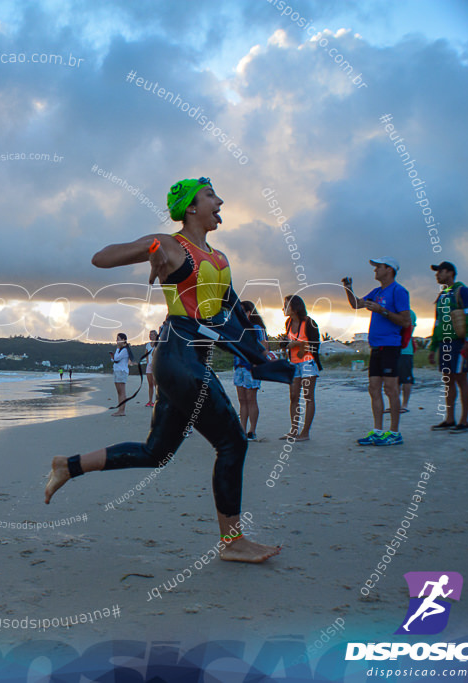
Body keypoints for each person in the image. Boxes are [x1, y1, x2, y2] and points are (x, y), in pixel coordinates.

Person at [45, 177, 288, 563]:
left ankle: (67, 466)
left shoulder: (220, 258)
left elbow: (233, 307)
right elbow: (100, 258)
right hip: (178, 358)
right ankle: (232, 542)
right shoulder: (173, 246)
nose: (220, 201)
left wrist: (260, 351)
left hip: (195, 359)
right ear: (190, 207)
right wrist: (151, 248)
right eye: (211, 196)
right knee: (233, 442)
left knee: (156, 451)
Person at [342, 258, 412, 446]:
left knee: (390, 389)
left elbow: (406, 321)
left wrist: (383, 311)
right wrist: (348, 287)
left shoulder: (399, 291)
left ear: (389, 270)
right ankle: (378, 430)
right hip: (376, 347)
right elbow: (357, 304)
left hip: (390, 346)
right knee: (373, 388)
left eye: (378, 267)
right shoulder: (377, 291)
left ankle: (395, 432)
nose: (375, 271)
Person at [428, 261, 468, 433]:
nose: (437, 275)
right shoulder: (442, 295)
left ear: (450, 273)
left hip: (460, 342)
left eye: (440, 272)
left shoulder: (462, 291)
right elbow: (438, 323)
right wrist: (433, 347)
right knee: (448, 381)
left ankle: (464, 421)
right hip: (445, 343)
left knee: (462, 379)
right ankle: (450, 419)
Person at [281, 294, 321, 441]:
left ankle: (305, 433)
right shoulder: (288, 323)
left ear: (295, 307)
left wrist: (297, 344)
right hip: (293, 362)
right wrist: (285, 343)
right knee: (293, 397)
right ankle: (293, 430)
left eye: (285, 305)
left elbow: (316, 347)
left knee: (308, 397)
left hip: (308, 362)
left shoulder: (309, 323)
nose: (283, 308)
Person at [234, 302, 268, 440]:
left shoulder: (256, 328)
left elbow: (264, 347)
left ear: (249, 312)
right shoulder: (237, 328)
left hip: (251, 367)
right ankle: (242, 428)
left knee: (251, 399)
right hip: (238, 366)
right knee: (242, 399)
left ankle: (252, 430)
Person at [397, 309, 417, 413]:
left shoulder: (409, 313)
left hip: (405, 351)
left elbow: (409, 330)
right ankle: (396, 403)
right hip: (392, 350)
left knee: (406, 379)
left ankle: (404, 404)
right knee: (395, 379)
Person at [109, 333, 133, 416]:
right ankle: (120, 409)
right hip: (117, 371)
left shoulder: (124, 350)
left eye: (118, 339)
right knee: (119, 392)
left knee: (121, 392)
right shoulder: (120, 349)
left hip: (121, 371)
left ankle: (122, 410)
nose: (117, 341)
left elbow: (116, 358)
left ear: (123, 340)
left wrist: (117, 349)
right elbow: (114, 359)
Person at [145, 329, 159, 407]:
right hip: (149, 365)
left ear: (156, 335)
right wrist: (147, 362)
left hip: (155, 365)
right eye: (150, 334)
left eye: (152, 334)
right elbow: (146, 353)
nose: (150, 336)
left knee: (155, 384)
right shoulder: (148, 345)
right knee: (150, 384)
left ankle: (157, 401)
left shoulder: (158, 344)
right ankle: (150, 401)